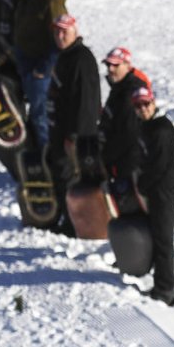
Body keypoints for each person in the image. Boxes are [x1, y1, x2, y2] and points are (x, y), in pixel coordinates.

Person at [47, 13, 101, 235]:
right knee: (60, 173)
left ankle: (72, 224)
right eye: (57, 31)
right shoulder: (65, 56)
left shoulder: (81, 59)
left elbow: (86, 101)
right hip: (60, 129)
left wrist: (77, 136)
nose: (60, 36)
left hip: (74, 133)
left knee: (71, 177)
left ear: (75, 32)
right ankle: (63, 217)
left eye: (65, 32)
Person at [131, 87, 174, 306]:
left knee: (163, 240)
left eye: (146, 104)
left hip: (163, 191)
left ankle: (166, 289)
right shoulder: (147, 126)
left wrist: (142, 184)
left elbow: (158, 165)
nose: (143, 109)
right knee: (157, 237)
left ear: (153, 103)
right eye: (138, 106)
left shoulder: (160, 129)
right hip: (155, 190)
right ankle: (161, 283)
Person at [12, 0, 67, 148]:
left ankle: (47, 154)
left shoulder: (51, 2)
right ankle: (36, 148)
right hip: (27, 65)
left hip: (41, 69)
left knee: (40, 113)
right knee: (32, 113)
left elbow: (59, 39)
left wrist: (44, 68)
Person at [99, 46, 151, 185]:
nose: (110, 69)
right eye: (108, 64)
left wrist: (105, 158)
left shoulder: (130, 92)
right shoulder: (118, 88)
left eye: (116, 65)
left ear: (127, 65)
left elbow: (128, 134)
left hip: (128, 167)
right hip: (118, 163)